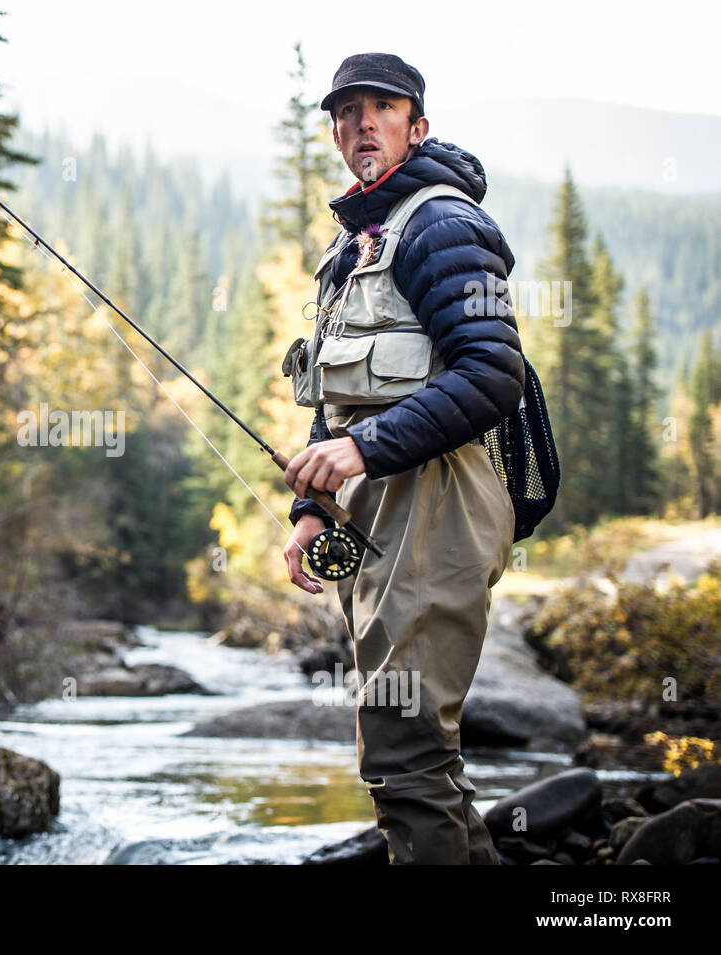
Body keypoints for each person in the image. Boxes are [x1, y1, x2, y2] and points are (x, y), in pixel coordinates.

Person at [281, 52, 525, 864]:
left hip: (441, 505)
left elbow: (494, 374)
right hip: (377, 517)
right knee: (422, 757)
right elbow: (335, 403)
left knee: (402, 746)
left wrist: (363, 448)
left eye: (381, 107)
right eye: (346, 111)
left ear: (416, 127)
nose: (362, 123)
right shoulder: (356, 244)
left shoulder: (440, 225)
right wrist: (311, 509)